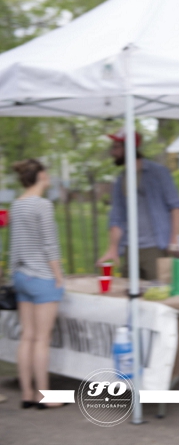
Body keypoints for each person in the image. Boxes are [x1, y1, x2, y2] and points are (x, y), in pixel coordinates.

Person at [9, 159, 65, 409]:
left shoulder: (17, 204)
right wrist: (58, 276)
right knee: (42, 339)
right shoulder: (43, 205)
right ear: (41, 175)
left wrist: (13, 274)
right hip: (42, 277)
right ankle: (44, 396)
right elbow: (49, 244)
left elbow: (14, 245)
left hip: (21, 276)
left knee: (27, 337)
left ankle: (27, 394)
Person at [96, 128, 179, 280]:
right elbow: (116, 217)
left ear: (129, 148)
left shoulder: (158, 173)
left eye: (116, 147)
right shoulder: (120, 180)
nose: (112, 152)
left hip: (155, 247)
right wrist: (113, 249)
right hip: (129, 248)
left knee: (158, 290)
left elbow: (176, 207)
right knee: (128, 291)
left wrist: (174, 240)